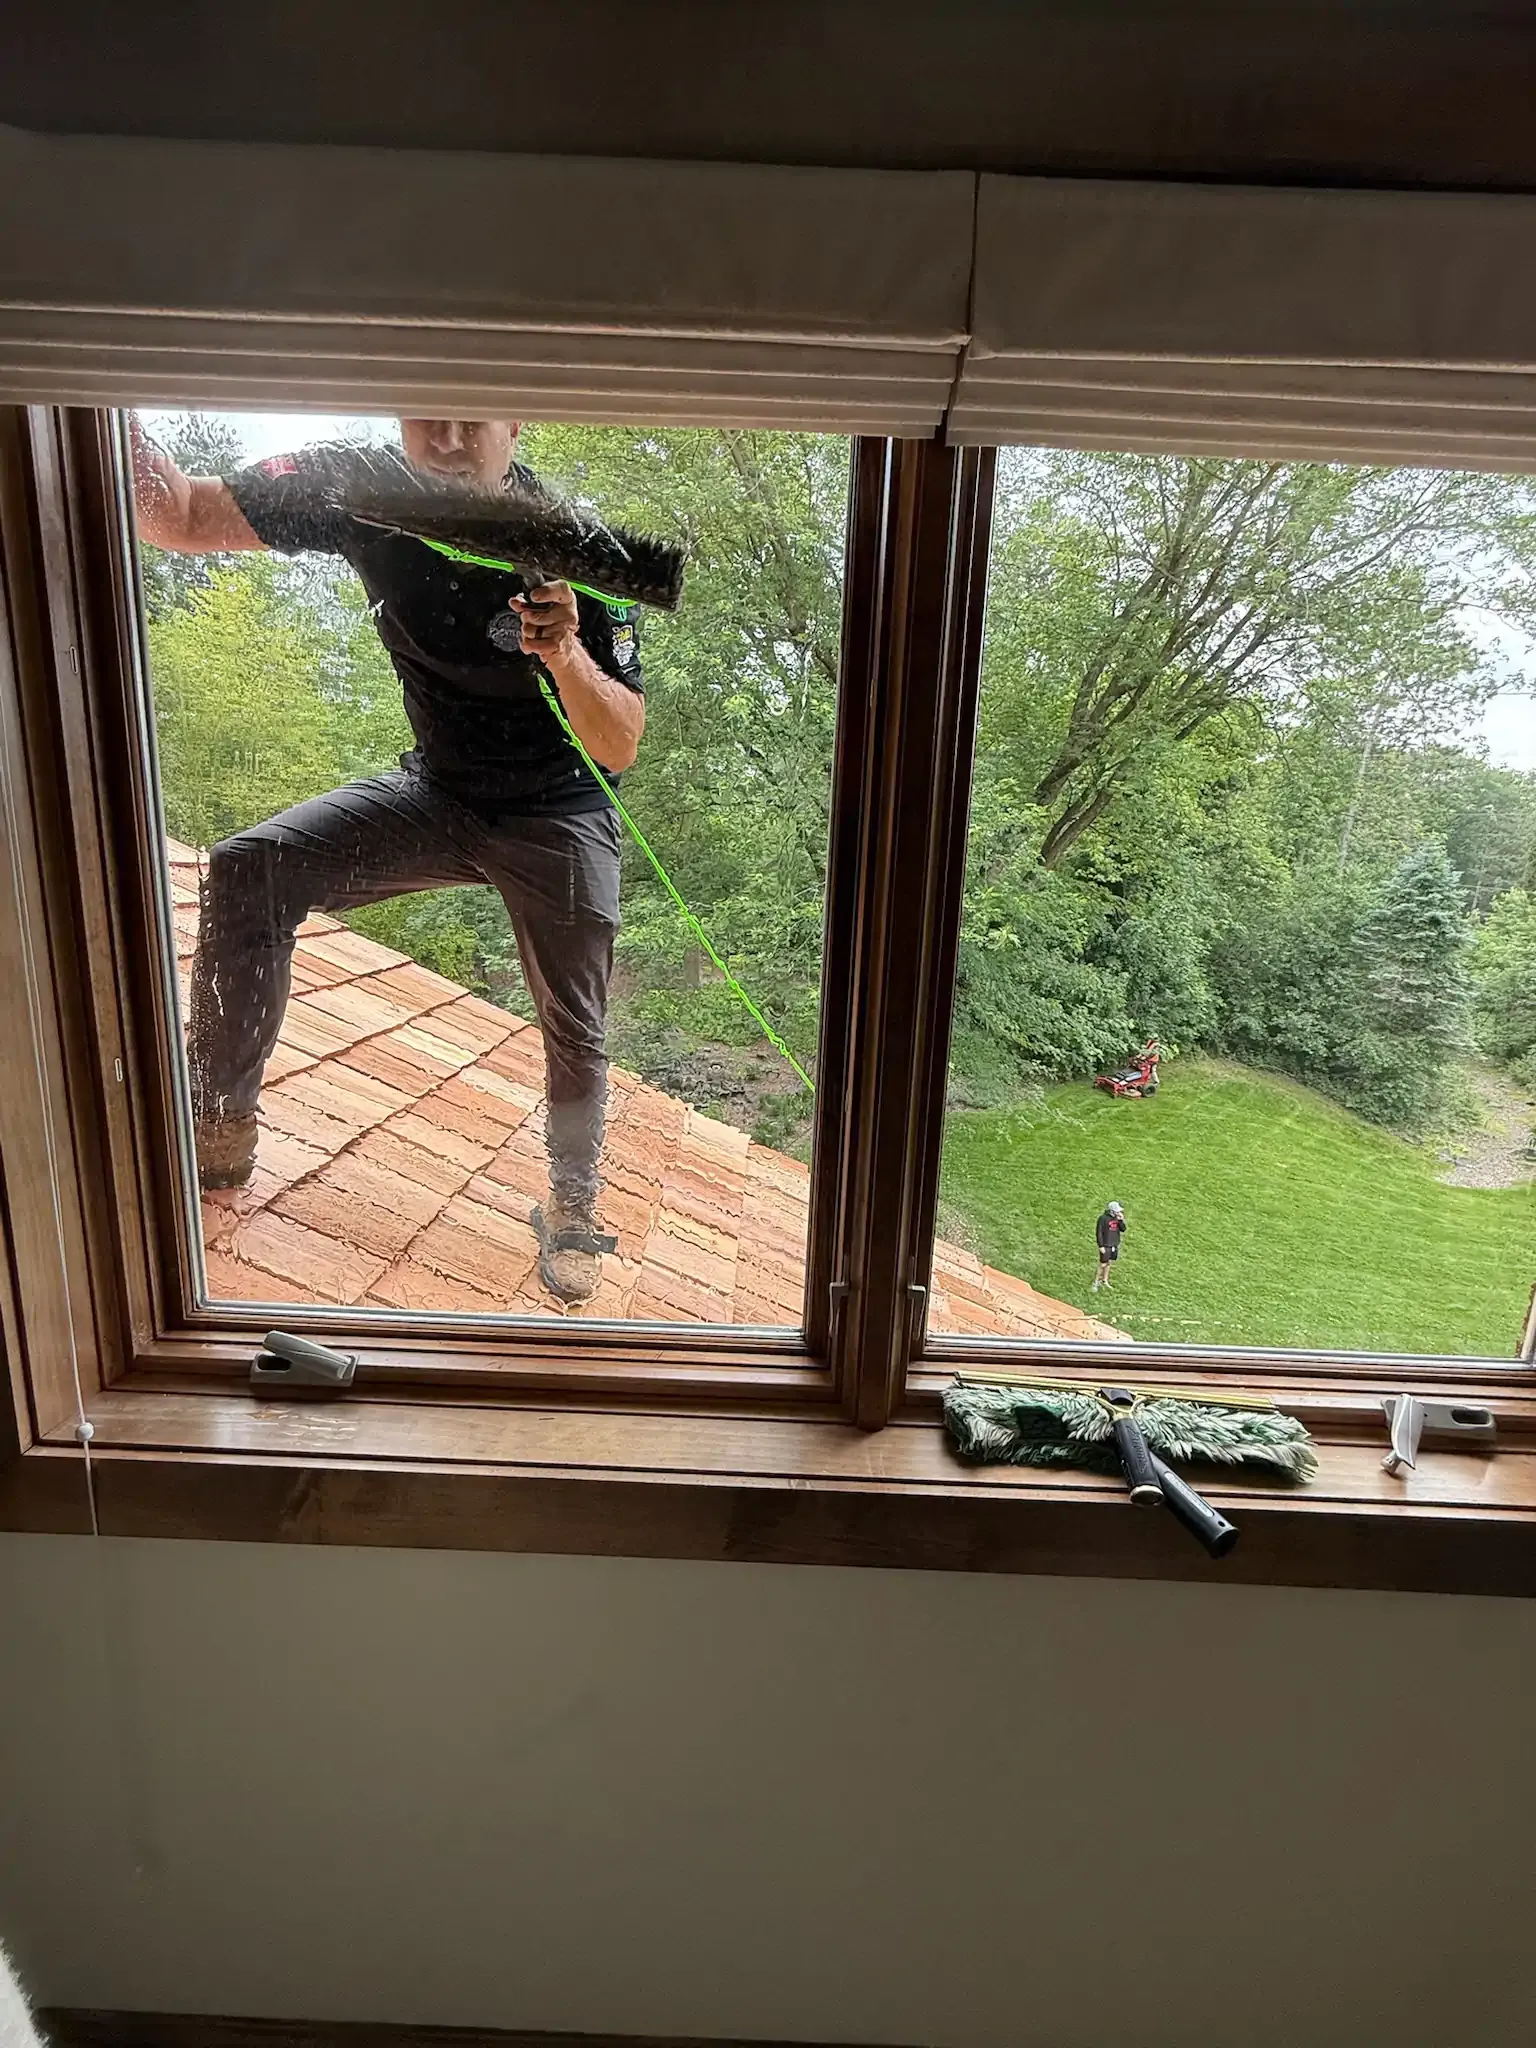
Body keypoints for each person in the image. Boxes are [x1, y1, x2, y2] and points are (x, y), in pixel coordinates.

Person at [131, 415, 647, 1306]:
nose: (445, 438)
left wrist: (565, 651)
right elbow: (178, 517)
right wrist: (98, 398)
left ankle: (572, 1206)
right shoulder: (353, 486)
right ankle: (217, 1128)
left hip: (559, 813)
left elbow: (619, 742)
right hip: (438, 793)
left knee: (577, 1022)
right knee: (251, 868)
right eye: (424, 411)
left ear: (516, 419)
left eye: (470, 417)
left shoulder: (578, 540)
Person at [1093, 1201, 1126, 1291]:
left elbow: (1123, 1229)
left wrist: (1121, 1220)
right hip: (1106, 1245)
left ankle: (1105, 1280)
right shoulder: (1103, 1219)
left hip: (1114, 1244)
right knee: (1103, 1264)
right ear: (1112, 1211)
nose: (1119, 1212)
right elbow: (1099, 1233)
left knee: (1109, 1263)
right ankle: (1095, 1282)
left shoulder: (1117, 1218)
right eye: (1117, 1211)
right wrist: (1101, 1246)